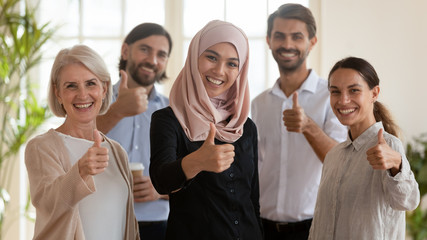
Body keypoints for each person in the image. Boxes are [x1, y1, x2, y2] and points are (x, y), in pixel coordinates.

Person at [149, 20, 263, 240]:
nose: (219, 71)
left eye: (232, 64)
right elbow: (161, 181)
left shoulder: (245, 127)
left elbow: (252, 199)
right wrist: (197, 161)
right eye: (211, 57)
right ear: (194, 58)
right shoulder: (168, 120)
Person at [250, 3, 348, 240]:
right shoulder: (258, 103)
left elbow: (339, 163)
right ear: (269, 41)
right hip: (261, 227)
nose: (287, 45)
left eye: (297, 37)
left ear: (312, 42)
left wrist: (308, 126)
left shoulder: (332, 96)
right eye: (279, 36)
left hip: (314, 228)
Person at [25, 44, 139, 240]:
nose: (83, 95)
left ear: (104, 89)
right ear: (58, 93)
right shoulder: (42, 147)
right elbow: (49, 205)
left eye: (91, 84)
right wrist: (80, 171)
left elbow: (129, 225)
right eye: (71, 86)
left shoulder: (117, 152)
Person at [308, 56, 420, 239]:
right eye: (335, 92)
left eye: (354, 90)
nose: (343, 100)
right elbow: (320, 222)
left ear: (374, 93)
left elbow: (408, 202)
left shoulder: (389, 146)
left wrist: (397, 165)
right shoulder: (333, 155)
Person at [96, 23, 172, 240]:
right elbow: (74, 145)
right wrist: (117, 111)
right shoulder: (96, 102)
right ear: (125, 51)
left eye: (161, 54)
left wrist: (160, 190)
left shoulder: (173, 111)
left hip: (158, 227)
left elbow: (192, 175)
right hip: (102, 221)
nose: (153, 60)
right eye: (145, 49)